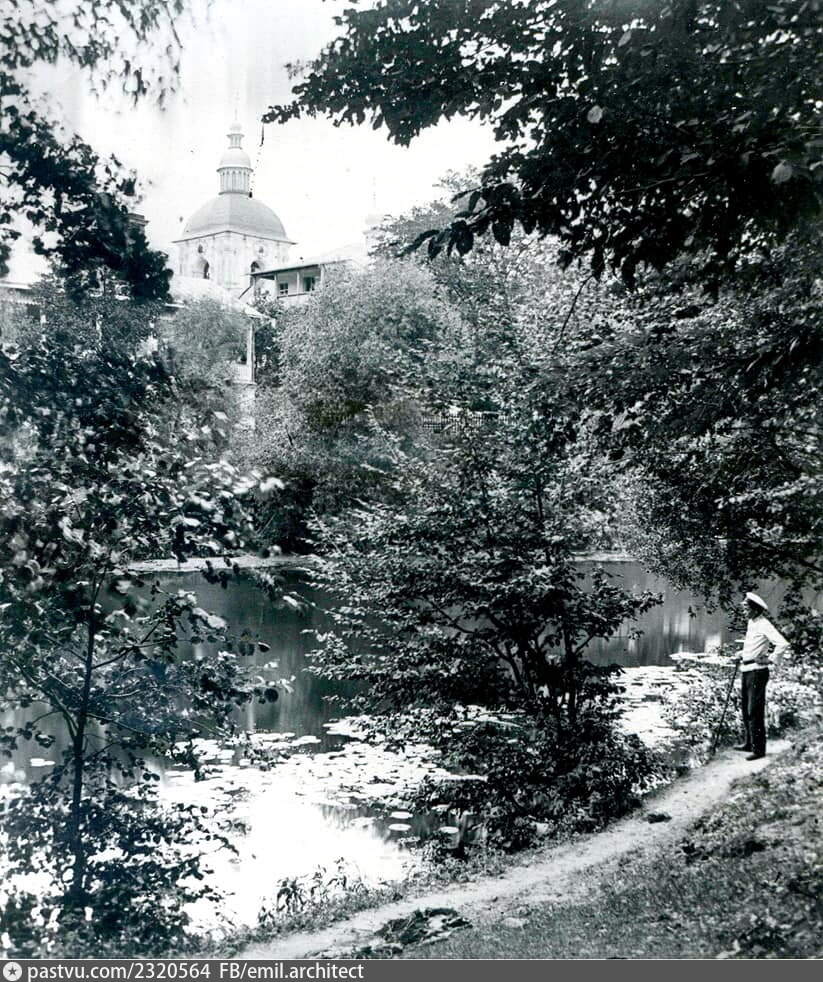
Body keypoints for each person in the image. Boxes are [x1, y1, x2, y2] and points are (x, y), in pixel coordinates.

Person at [734, 592, 789, 760]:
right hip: (747, 669)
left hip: (757, 672)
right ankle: (749, 743)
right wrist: (742, 654)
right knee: (745, 709)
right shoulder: (752, 622)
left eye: (746, 608)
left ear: (755, 609)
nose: (744, 611)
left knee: (754, 710)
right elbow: (754, 644)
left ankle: (759, 750)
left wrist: (770, 659)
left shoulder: (764, 624)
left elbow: (782, 643)